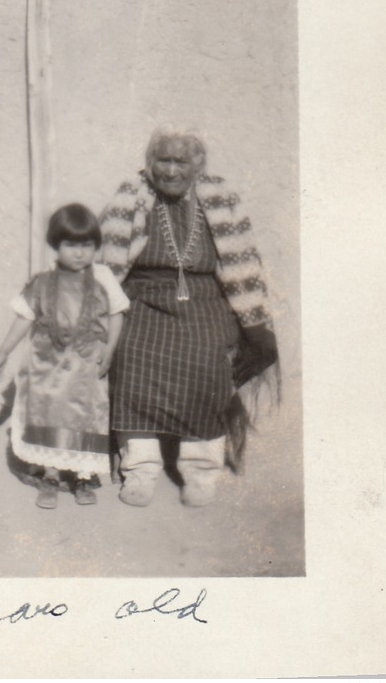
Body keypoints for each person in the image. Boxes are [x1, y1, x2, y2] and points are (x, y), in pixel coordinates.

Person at [99, 126, 279, 509]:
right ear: (150, 164)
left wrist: (255, 324)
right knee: (131, 355)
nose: (171, 170)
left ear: (198, 164)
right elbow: (109, 262)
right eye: (162, 159)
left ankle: (199, 470)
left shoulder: (219, 196)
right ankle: (140, 469)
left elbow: (241, 261)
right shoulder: (132, 194)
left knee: (207, 363)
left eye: (180, 160)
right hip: (144, 297)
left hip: (204, 299)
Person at [0, 203, 129, 509]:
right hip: (48, 363)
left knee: (85, 413)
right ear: (56, 245)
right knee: (49, 411)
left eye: (87, 246)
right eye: (70, 245)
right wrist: (3, 352)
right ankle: (50, 474)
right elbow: (24, 317)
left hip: (86, 362)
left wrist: (109, 351)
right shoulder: (43, 282)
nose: (79, 253)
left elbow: (118, 314)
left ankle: (82, 477)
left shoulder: (103, 277)